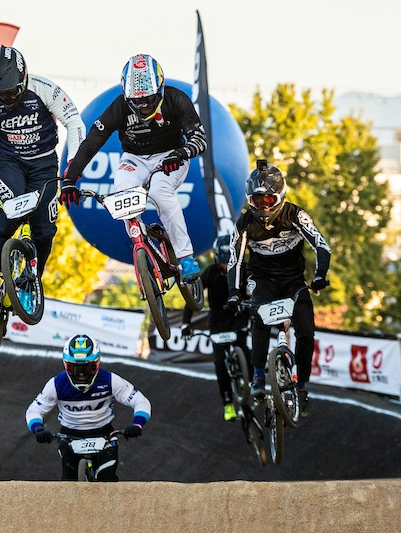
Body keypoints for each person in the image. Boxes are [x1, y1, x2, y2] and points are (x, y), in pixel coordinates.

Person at [61, 53, 207, 282]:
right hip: (134, 158)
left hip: (171, 156)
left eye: (149, 99)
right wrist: (70, 179)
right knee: (123, 192)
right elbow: (91, 143)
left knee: (160, 191)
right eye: (137, 101)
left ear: (161, 88)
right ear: (126, 96)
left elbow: (200, 140)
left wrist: (181, 154)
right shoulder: (118, 107)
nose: (145, 106)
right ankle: (140, 242)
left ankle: (185, 256)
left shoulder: (176, 99)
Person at [0, 45, 85, 303]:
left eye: (12, 92)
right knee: (5, 220)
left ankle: (31, 283)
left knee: (44, 231)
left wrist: (72, 169)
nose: (7, 100)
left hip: (44, 164)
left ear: (24, 78)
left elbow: (75, 122)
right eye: (1, 94)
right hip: (11, 164)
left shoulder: (44, 90)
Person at [226, 159, 331, 415]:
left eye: (268, 201)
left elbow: (321, 245)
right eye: (256, 201)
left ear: (280, 197)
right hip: (263, 279)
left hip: (294, 281)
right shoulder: (243, 224)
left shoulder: (296, 214)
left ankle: (302, 385)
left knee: (306, 332)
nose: (262, 207)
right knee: (259, 318)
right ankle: (259, 375)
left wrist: (320, 275)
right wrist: (234, 293)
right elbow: (235, 261)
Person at [26, 333, 151, 481]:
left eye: (87, 369)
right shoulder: (56, 384)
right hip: (69, 437)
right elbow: (34, 410)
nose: (81, 376)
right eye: (75, 369)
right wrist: (38, 429)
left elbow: (140, 401)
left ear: (97, 364)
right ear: (66, 365)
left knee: (107, 480)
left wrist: (137, 424)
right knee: (69, 483)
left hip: (104, 435)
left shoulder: (110, 380)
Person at [181, 234, 250, 422]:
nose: (226, 267)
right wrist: (186, 323)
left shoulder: (244, 270)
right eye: (223, 263)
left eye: (230, 263)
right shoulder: (210, 272)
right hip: (218, 320)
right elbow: (194, 298)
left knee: (245, 349)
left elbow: (255, 291)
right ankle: (227, 402)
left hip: (238, 316)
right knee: (219, 362)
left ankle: (247, 378)